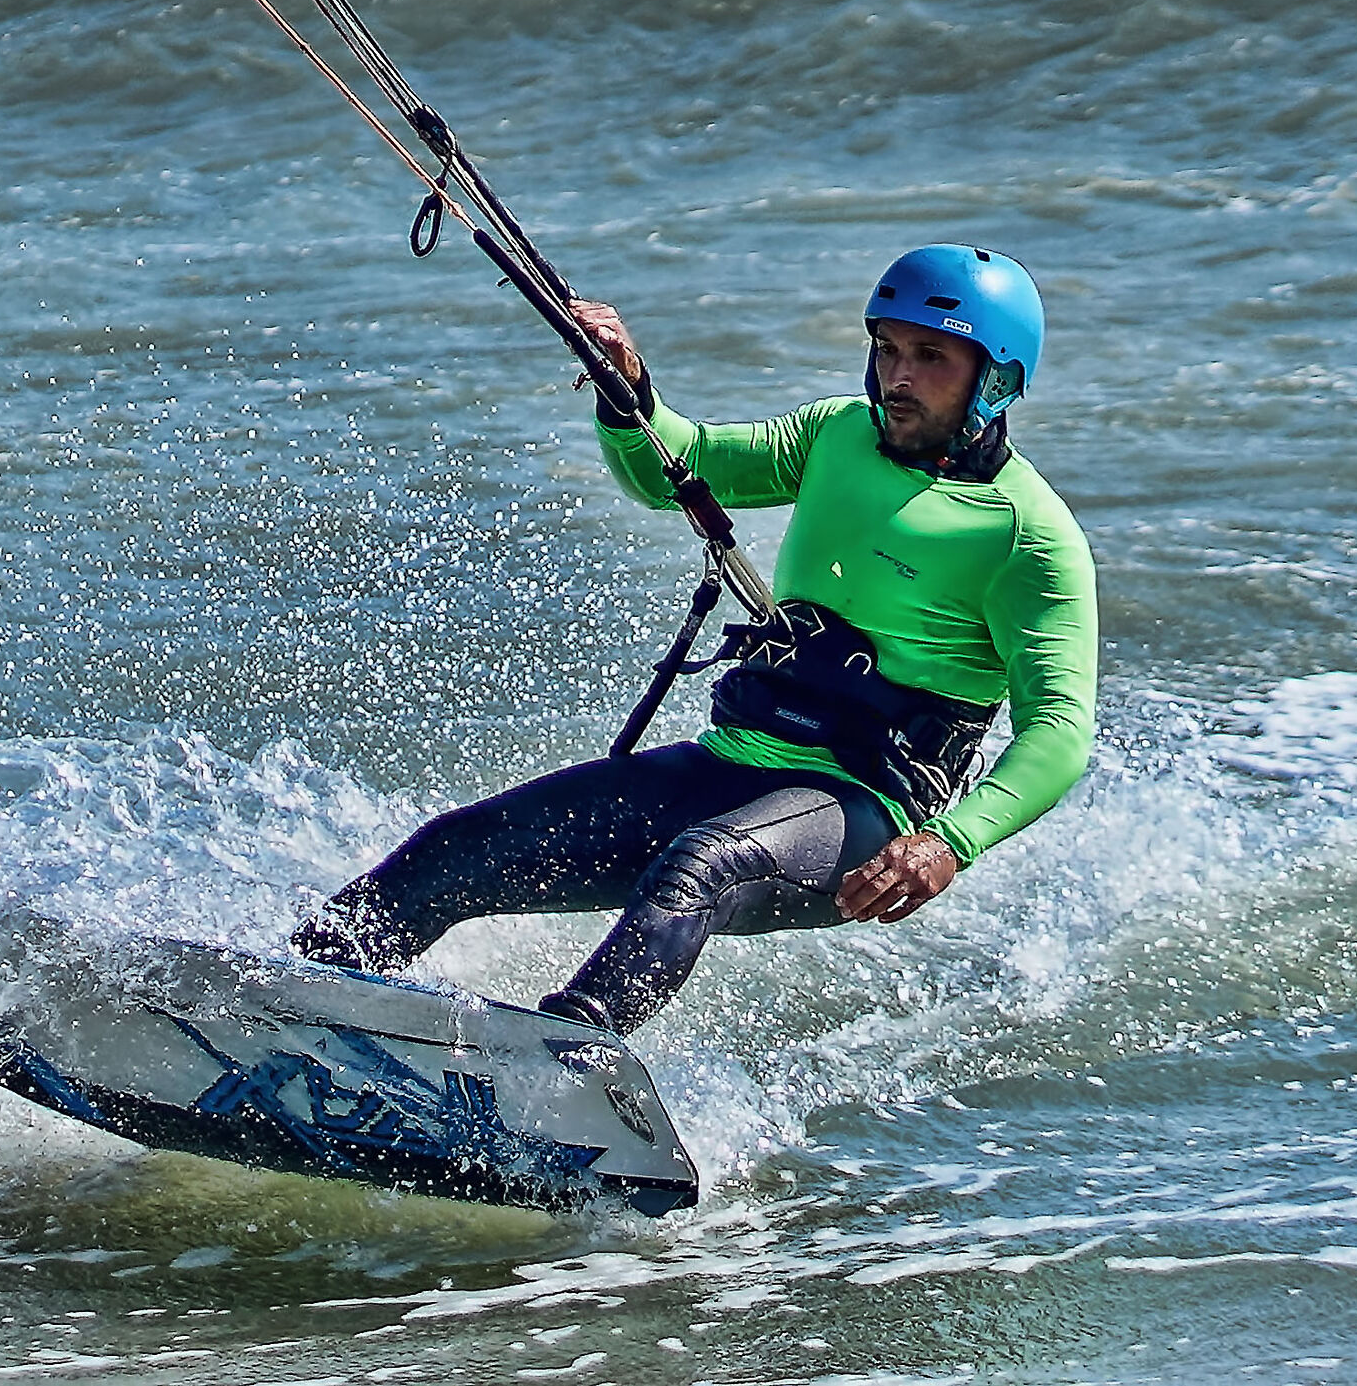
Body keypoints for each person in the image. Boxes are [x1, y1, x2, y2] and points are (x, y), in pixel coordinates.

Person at [292, 244, 1098, 1035]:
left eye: (931, 357)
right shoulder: (836, 438)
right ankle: (283, 1004)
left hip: (860, 812)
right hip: (732, 764)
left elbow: (1058, 731)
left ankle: (567, 1069)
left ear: (995, 380)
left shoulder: (1028, 535)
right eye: (887, 350)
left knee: (701, 864)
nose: (898, 376)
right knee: (460, 846)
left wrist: (949, 843)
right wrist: (628, 389)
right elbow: (680, 465)